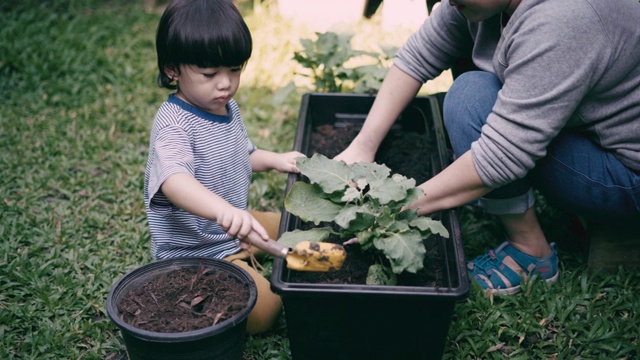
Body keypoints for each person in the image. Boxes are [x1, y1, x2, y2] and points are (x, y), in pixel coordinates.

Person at [336, 0, 640, 295]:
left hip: (628, 175)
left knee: (470, 100)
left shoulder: (562, 19)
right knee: (473, 96)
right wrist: (363, 146)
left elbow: (502, 155)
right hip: (594, 134)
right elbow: (419, 55)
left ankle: (530, 252)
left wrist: (397, 209)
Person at [144, 0, 304, 333]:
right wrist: (221, 211)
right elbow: (174, 180)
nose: (225, 83)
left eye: (235, 70)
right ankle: (218, 275)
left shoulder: (224, 107)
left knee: (292, 227)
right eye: (209, 73)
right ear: (173, 69)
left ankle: (245, 253)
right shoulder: (174, 125)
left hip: (230, 226)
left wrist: (276, 160)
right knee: (267, 310)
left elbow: (239, 154)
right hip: (195, 247)